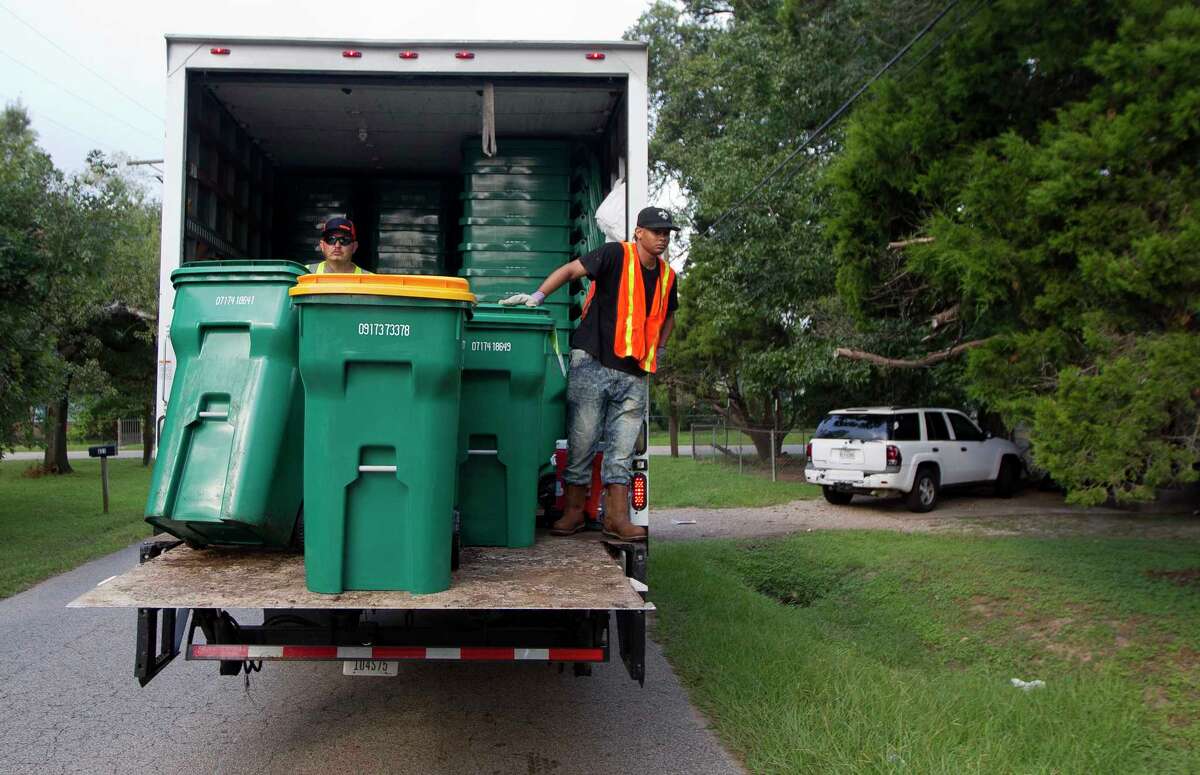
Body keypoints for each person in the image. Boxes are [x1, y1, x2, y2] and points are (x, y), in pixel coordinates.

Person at [500, 206, 680, 542]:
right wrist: (538, 296)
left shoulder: (669, 277)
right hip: (593, 362)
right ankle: (573, 512)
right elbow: (571, 271)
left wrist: (660, 349)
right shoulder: (614, 254)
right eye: (656, 231)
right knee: (582, 442)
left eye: (667, 233)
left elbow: (669, 316)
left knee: (622, 450)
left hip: (634, 373)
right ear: (639, 232)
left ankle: (616, 518)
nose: (663, 237)